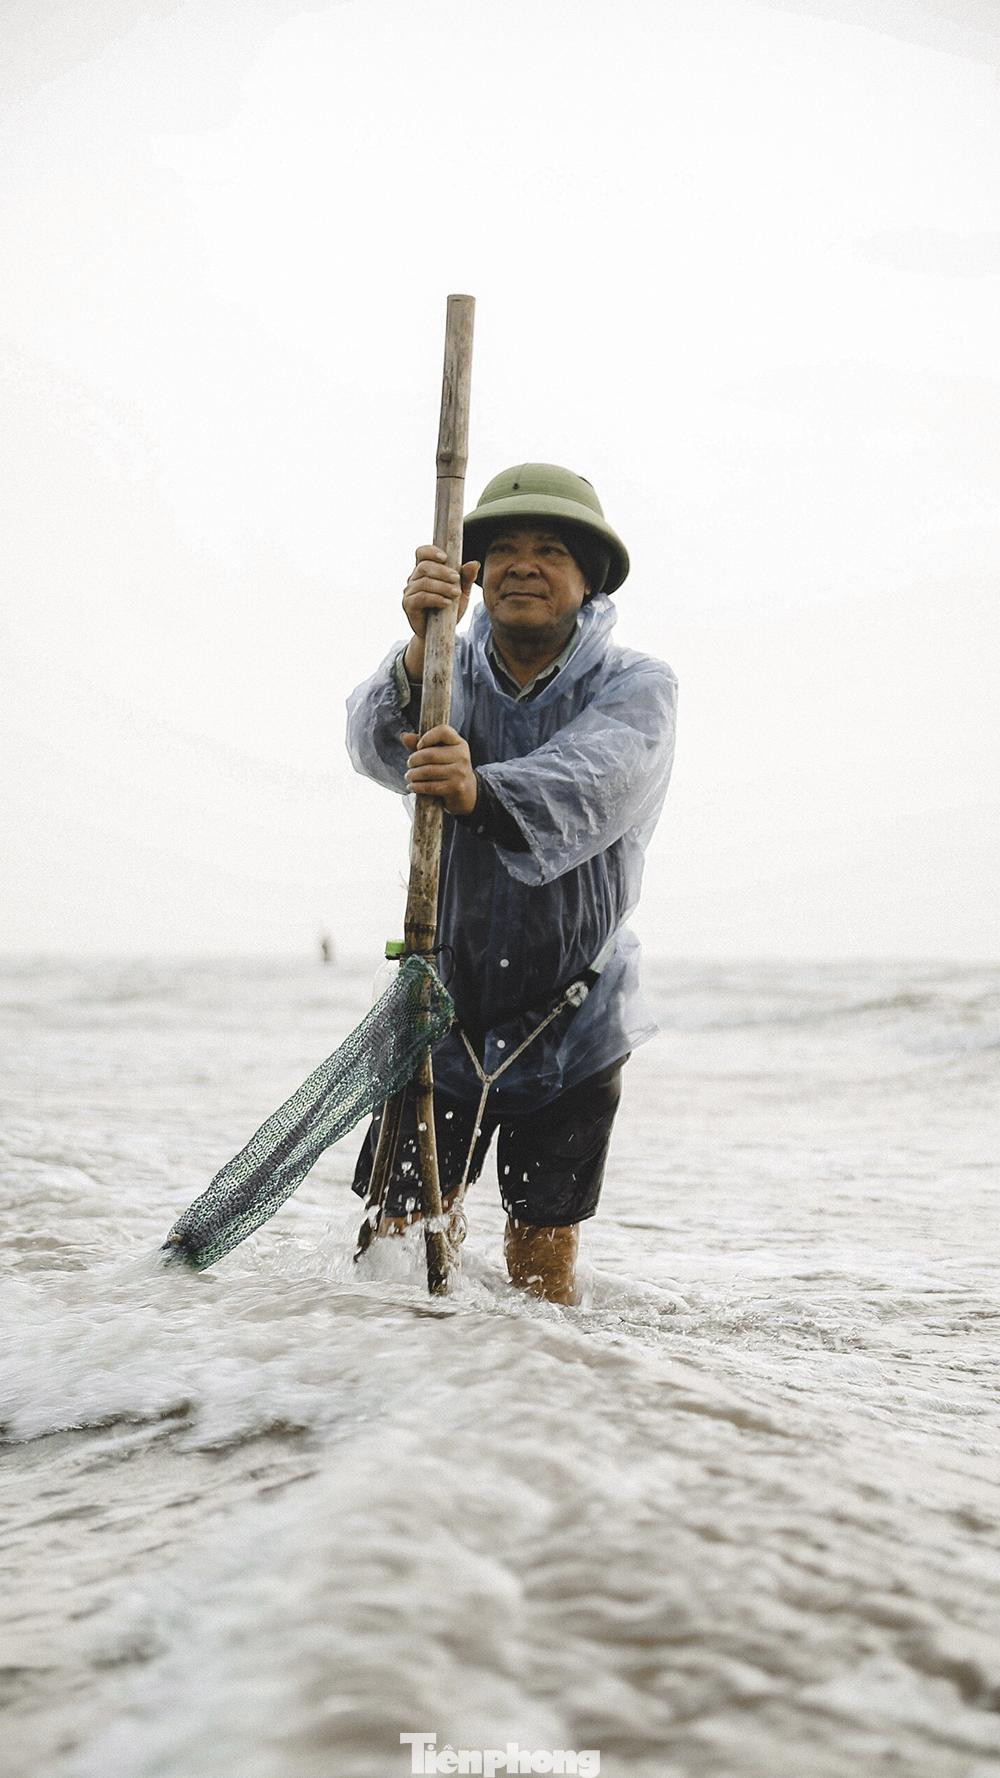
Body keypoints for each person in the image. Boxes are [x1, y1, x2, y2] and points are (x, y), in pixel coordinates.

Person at [346, 463, 677, 1303]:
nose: (524, 565)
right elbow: (374, 743)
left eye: (552, 549)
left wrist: (482, 790)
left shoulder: (637, 686)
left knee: (542, 1252)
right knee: (397, 1240)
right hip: (441, 1008)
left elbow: (595, 783)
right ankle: (398, 1397)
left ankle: (530, 1401)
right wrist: (425, 648)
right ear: (476, 573)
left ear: (589, 579)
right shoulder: (443, 667)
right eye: (504, 550)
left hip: (572, 1016)